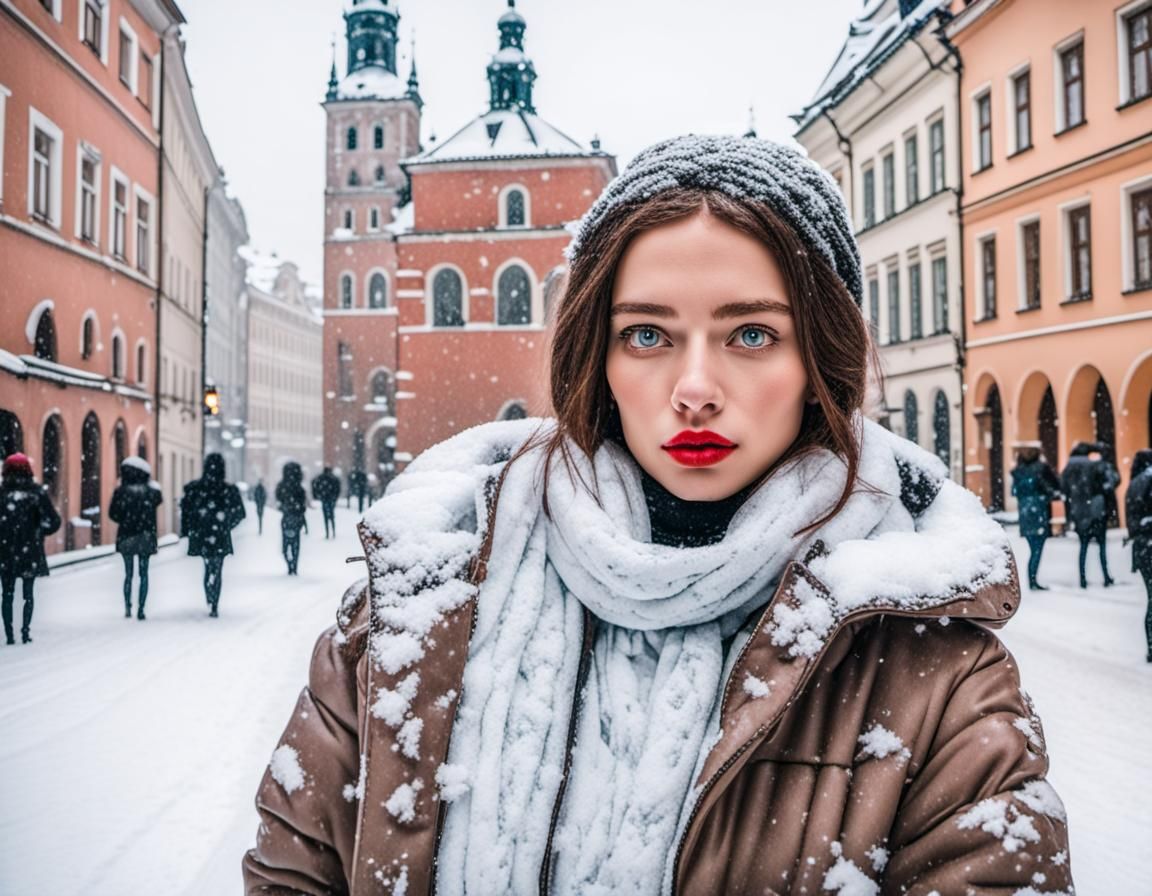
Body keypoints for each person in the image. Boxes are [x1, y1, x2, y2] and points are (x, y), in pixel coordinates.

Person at [244, 136, 1072, 894]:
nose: (695, 388)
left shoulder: (937, 675)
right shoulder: (412, 615)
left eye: (752, 335)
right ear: (595, 355)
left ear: (823, 357)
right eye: (646, 335)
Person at [0, 453, 61, 644]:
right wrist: (39, 532)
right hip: (30, 550)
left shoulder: (2, 493)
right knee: (28, 593)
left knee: (7, 593)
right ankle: (25, 631)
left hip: (5, 550)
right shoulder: (36, 492)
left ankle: (9, 634)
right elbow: (54, 521)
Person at [180, 453, 245, 617]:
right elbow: (240, 513)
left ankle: (210, 596)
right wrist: (227, 524)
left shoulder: (197, 489)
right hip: (220, 533)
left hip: (203, 533)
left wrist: (190, 528)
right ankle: (214, 601)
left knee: (208, 565)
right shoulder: (227, 490)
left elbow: (187, 510)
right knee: (218, 567)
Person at [108, 457, 162, 620]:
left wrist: (126, 519)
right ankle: (141, 608)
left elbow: (113, 514)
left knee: (128, 574)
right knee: (144, 574)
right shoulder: (152, 492)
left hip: (127, 535)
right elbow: (158, 500)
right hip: (146, 535)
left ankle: (128, 606)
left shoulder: (120, 492)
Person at [1061, 441, 1119, 588]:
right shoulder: (1094, 466)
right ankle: (1106, 577)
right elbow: (1112, 481)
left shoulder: (1069, 468)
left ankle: (1082, 578)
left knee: (1083, 547)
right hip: (1096, 511)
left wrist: (1071, 513)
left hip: (1079, 513)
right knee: (1101, 546)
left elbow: (1064, 490)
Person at [1010, 442, 1061, 591]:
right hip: (1039, 511)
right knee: (1037, 549)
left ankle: (1032, 579)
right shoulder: (1042, 468)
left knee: (1034, 548)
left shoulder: (1018, 471)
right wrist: (1047, 495)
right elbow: (1054, 486)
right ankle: (1033, 580)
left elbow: (1014, 492)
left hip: (1025, 512)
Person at [1126, 448, 1152, 662]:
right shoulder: (1149, 480)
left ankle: (1150, 647)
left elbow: (1132, 521)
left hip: (1141, 548)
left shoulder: (1134, 484)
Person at [275, 462, 307, 575]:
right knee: (295, 544)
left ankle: (290, 564)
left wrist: (285, 506)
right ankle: (294, 565)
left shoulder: (282, 486)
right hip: (296, 517)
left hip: (287, 517)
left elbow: (279, 498)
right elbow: (303, 504)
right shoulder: (299, 488)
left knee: (286, 544)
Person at [311, 466, 341, 539]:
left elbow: (314, 483)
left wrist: (317, 495)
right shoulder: (333, 478)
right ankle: (333, 531)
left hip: (324, 498)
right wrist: (335, 496)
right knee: (331, 515)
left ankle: (327, 532)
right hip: (331, 498)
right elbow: (337, 487)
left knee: (325, 516)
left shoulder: (320, 478)